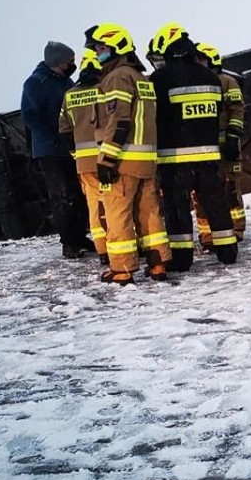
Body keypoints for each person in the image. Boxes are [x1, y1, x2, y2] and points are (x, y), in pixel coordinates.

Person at [85, 23, 172, 284]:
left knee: (117, 213)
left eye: (101, 48)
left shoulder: (117, 77)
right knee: (149, 213)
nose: (98, 54)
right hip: (145, 160)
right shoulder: (140, 78)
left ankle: (122, 269)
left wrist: (107, 158)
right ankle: (158, 263)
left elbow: (119, 121)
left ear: (117, 47)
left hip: (123, 160)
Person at [149, 27, 238, 270]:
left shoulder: (159, 80)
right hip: (209, 154)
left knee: (177, 209)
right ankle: (228, 251)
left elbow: (153, 116)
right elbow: (217, 112)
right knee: (215, 203)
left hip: (174, 157)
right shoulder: (211, 77)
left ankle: (182, 258)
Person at [20, 40, 95, 258]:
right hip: (50, 151)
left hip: (69, 147)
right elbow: (30, 116)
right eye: (69, 62)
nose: (73, 65)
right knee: (62, 196)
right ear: (57, 63)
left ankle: (79, 236)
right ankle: (69, 242)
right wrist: (53, 137)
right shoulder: (36, 83)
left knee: (77, 194)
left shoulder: (65, 81)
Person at [193, 42, 247, 248]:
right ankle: (207, 235)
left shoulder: (227, 82)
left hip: (228, 146)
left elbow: (237, 109)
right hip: (205, 148)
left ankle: (236, 228)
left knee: (231, 188)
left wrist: (234, 136)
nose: (199, 63)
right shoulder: (197, 84)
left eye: (202, 59)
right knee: (203, 193)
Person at [57, 50, 109, 263]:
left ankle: (103, 250)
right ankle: (123, 245)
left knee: (94, 206)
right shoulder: (106, 89)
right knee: (115, 204)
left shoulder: (70, 95)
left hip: (84, 163)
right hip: (109, 158)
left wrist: (76, 154)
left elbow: (64, 130)